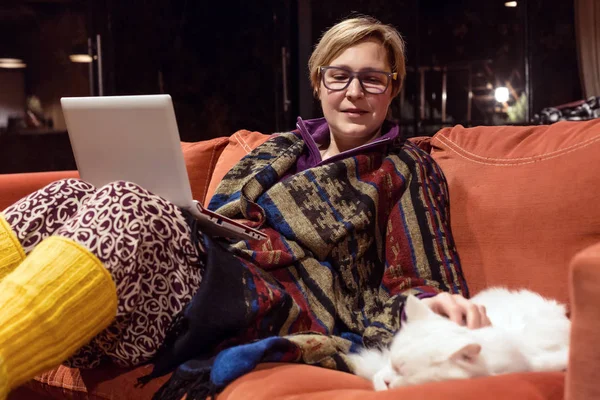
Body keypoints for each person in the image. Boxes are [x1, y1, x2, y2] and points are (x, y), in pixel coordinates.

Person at [0, 15, 489, 400]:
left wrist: (429, 307)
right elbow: (218, 222)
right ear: (318, 83)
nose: (354, 92)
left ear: (393, 88)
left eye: (372, 80)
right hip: (199, 275)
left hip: (276, 304)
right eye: (339, 77)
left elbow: (423, 279)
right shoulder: (274, 150)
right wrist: (189, 218)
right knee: (70, 195)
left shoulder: (404, 168)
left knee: (129, 205)